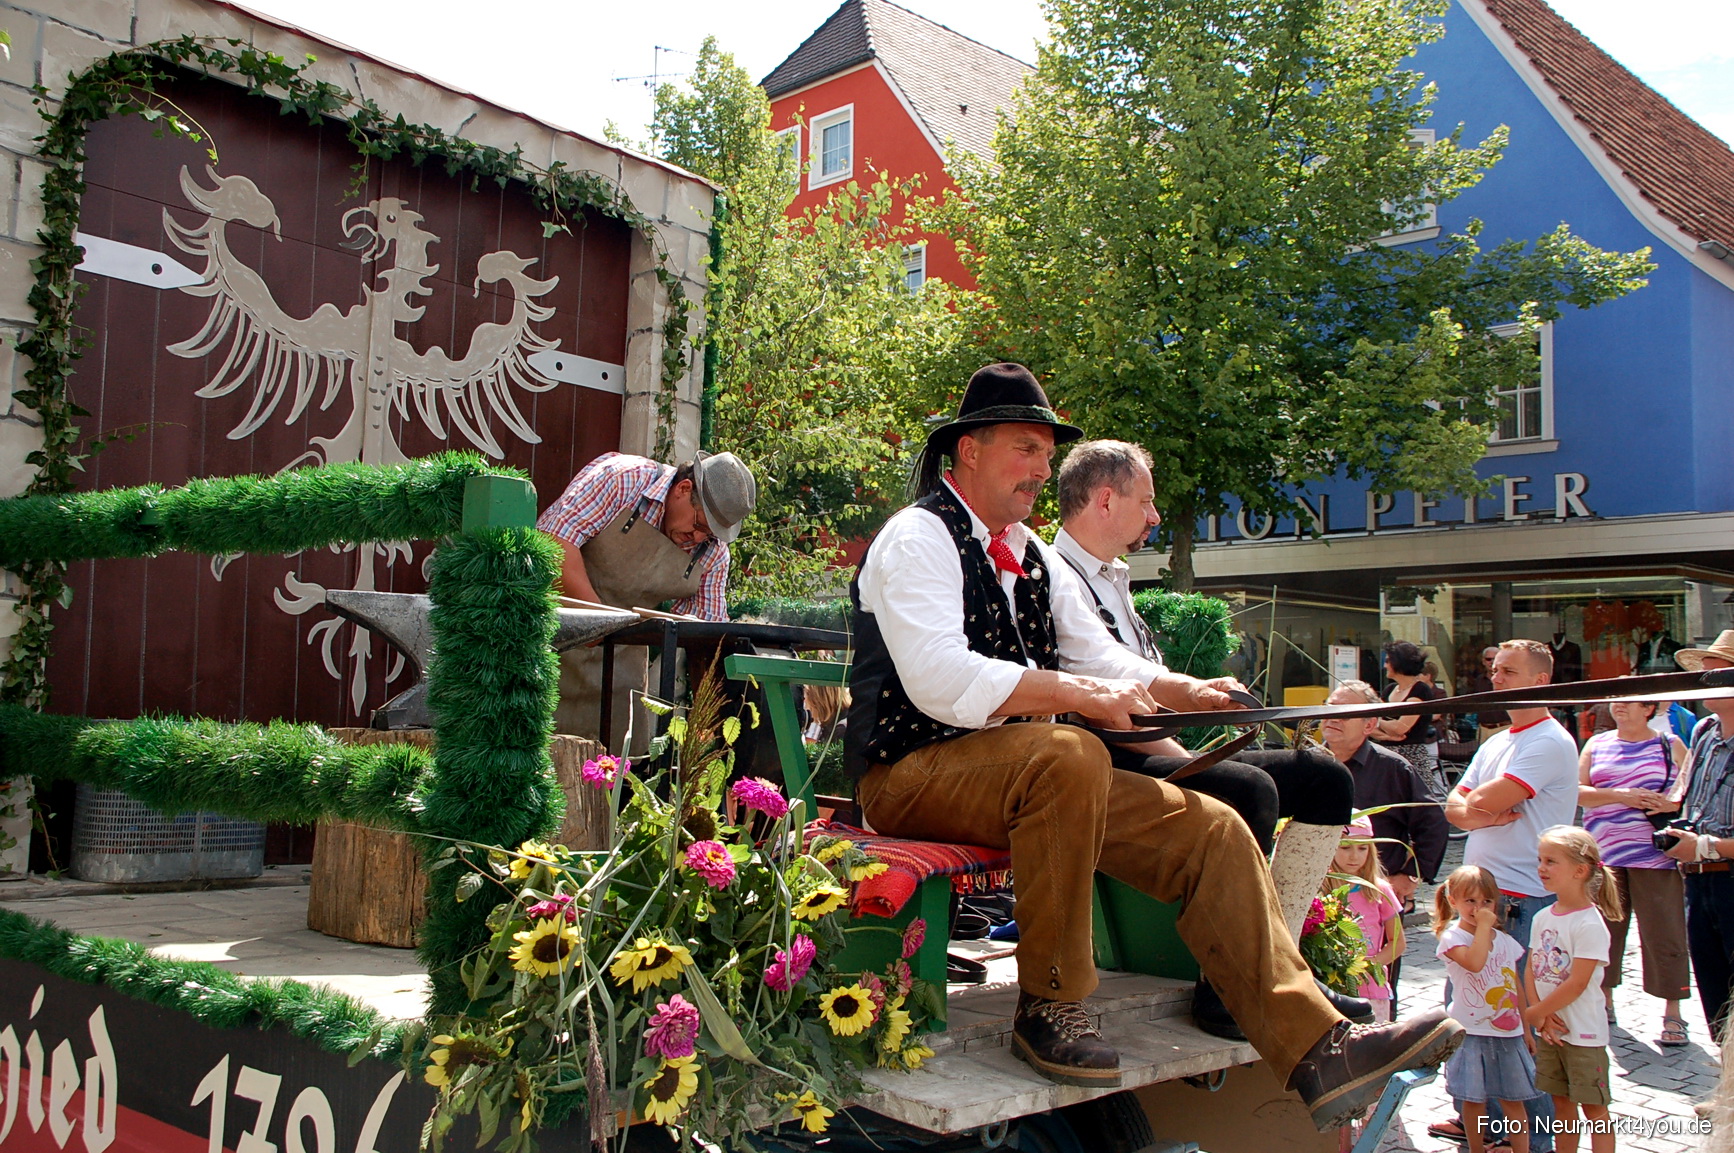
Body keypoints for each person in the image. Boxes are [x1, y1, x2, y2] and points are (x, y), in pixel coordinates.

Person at [844, 363, 1463, 1130]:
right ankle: (1053, 1006)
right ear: (968, 449)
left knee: (1213, 825)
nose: (1043, 469)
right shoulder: (916, 535)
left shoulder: (1030, 553)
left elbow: (1104, 659)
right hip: (909, 776)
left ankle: (1318, 1047)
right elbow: (941, 679)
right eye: (1027, 448)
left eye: (1046, 452)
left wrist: (1186, 689)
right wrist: (1076, 696)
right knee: (1071, 751)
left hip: (1028, 778)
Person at [1051, 438, 1366, 1039]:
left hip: (1148, 745)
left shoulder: (1113, 577)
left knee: (1325, 778)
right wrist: (1196, 706)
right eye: (1146, 501)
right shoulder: (1052, 574)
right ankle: (1228, 989)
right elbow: (1110, 686)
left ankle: (1282, 964)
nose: (1154, 516)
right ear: (1106, 499)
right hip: (1095, 759)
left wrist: (1192, 735)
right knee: (1245, 788)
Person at [1442, 638, 1579, 1150]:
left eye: (1508, 671)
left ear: (1540, 681)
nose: (1495, 678)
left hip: (1521, 903)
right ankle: (1491, 1126)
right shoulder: (1498, 741)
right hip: (1481, 901)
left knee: (1521, 1029)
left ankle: (1534, 1140)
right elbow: (1455, 804)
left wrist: (1478, 807)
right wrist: (1478, 810)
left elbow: (1477, 798)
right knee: (1474, 1016)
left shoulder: (1548, 741)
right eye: (1494, 669)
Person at [537, 450, 758, 736]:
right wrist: (596, 624)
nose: (700, 538)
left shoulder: (713, 553)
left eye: (712, 533)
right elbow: (554, 543)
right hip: (551, 648)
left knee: (617, 770)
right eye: (700, 525)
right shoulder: (623, 479)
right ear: (683, 489)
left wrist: (710, 724)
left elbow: (705, 642)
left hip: (621, 675)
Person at [1577, 697, 1689, 1047]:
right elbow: (1579, 793)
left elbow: (1689, 788)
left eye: (1630, 703)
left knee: (1665, 931)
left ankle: (1673, 1010)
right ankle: (1604, 1000)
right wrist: (1621, 796)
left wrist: (1671, 803)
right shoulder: (1597, 744)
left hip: (1655, 854)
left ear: (1650, 710)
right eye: (1616, 702)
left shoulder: (1668, 744)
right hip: (1604, 855)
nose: (1619, 707)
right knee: (1604, 930)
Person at [1524, 827, 1624, 1153]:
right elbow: (1532, 967)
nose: (1541, 867)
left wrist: (1536, 1012)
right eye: (1540, 860)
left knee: (1594, 1109)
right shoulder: (1541, 917)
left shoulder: (1589, 924)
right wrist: (1541, 1016)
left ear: (1580, 871)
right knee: (1561, 1103)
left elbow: (1578, 982)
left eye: (1551, 861)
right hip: (1551, 1031)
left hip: (1583, 1033)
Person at [1659, 628, 1734, 1040]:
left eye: (1716, 671)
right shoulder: (1705, 730)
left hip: (1728, 874)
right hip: (1700, 883)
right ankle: (1728, 1085)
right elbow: (1690, 800)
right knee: (1714, 992)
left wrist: (1706, 845)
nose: (1705, 680)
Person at [1435, 865, 1536, 1153]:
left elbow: (1515, 985)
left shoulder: (1504, 940)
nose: (1479, 908)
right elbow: (1475, 963)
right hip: (1470, 1032)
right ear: (1452, 900)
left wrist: (1525, 1029)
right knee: (1474, 1100)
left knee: (1513, 1100)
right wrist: (1482, 927)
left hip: (1508, 1033)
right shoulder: (1453, 937)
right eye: (1470, 901)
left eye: (1486, 901)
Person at [1333, 818, 1404, 1025]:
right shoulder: (1321, 888)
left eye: (1362, 848)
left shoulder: (1379, 890)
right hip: (1334, 985)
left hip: (1371, 987)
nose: (1354, 856)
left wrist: (1369, 966)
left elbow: (1398, 942)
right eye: (1345, 848)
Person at [1370, 640, 1444, 794]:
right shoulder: (1389, 689)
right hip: (1384, 756)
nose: (1384, 666)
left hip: (1411, 759)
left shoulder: (1420, 690)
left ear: (1399, 662)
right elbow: (1369, 727)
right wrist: (1385, 732)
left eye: (1388, 661)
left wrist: (1378, 721)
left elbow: (1400, 728)